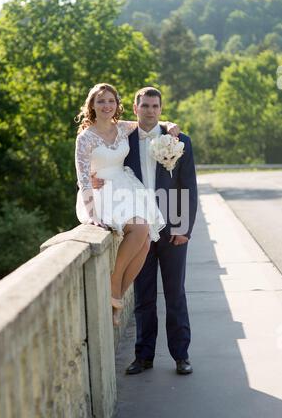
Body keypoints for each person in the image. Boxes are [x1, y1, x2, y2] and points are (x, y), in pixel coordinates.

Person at [94, 86, 197, 374]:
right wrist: (94, 179)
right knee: (144, 293)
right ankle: (144, 356)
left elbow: (188, 186)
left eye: (155, 106)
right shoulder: (122, 141)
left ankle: (181, 356)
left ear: (161, 109)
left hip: (172, 223)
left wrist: (184, 227)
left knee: (175, 292)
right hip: (139, 222)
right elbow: (102, 160)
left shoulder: (178, 140)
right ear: (136, 108)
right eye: (145, 105)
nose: (150, 110)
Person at [74, 83, 179, 326]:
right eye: (101, 101)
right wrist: (91, 214)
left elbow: (150, 121)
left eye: (111, 101)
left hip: (126, 186)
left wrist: (170, 125)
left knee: (143, 243)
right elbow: (82, 177)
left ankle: (117, 294)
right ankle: (115, 284)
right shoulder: (85, 137)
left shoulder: (122, 128)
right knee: (141, 229)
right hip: (102, 191)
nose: (106, 106)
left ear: (117, 105)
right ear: (92, 105)